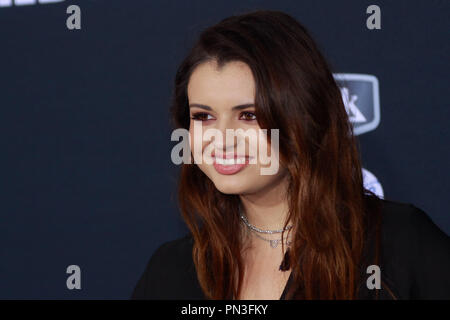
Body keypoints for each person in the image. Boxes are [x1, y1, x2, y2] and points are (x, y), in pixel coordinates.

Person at [131, 10, 450, 300]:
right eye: (203, 116)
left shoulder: (398, 244)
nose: (222, 139)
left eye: (249, 115)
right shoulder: (172, 272)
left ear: (303, 118)